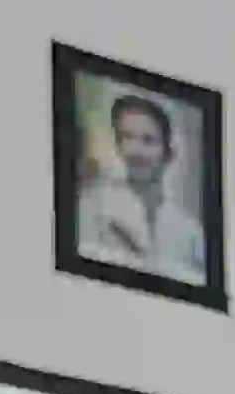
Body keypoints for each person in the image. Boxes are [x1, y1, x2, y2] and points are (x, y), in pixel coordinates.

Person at [75, 88, 207, 285]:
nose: (135, 150)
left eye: (148, 140)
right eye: (126, 137)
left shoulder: (190, 233)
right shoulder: (93, 206)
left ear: (169, 151)